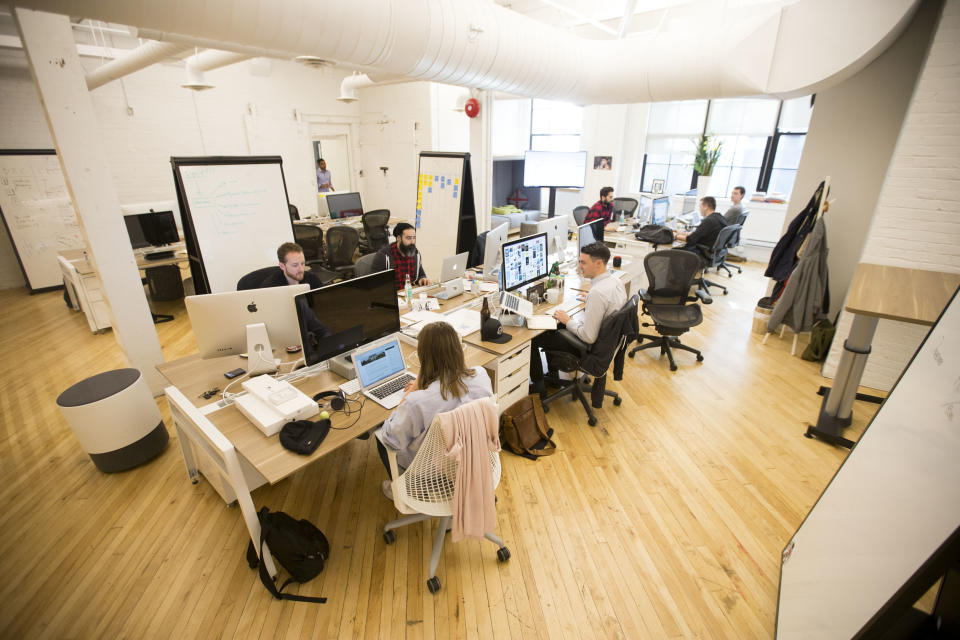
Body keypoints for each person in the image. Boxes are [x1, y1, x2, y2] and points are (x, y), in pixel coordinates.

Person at [375, 321, 494, 496]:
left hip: (431, 473)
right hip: (473, 459)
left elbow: (391, 438)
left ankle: (400, 491)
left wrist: (412, 391)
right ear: (458, 349)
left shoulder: (416, 402)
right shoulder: (481, 374)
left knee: (379, 435)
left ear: (423, 357)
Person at [529, 242, 627, 396]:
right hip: (607, 345)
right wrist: (590, 300)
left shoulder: (598, 293)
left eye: (583, 262)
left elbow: (588, 337)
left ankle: (539, 387)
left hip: (590, 348)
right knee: (558, 325)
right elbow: (609, 303)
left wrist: (567, 320)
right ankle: (553, 378)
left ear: (599, 263)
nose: (580, 266)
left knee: (536, 336)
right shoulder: (616, 282)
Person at [373, 222, 430, 290]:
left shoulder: (415, 254)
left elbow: (420, 274)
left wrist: (422, 279)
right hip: (391, 296)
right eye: (408, 238)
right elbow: (374, 283)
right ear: (399, 238)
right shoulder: (383, 256)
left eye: (414, 238)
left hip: (409, 294)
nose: (412, 242)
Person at [260, 242, 327, 289]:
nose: (301, 269)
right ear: (282, 266)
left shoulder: (312, 279)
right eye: (295, 265)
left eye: (302, 263)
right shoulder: (269, 287)